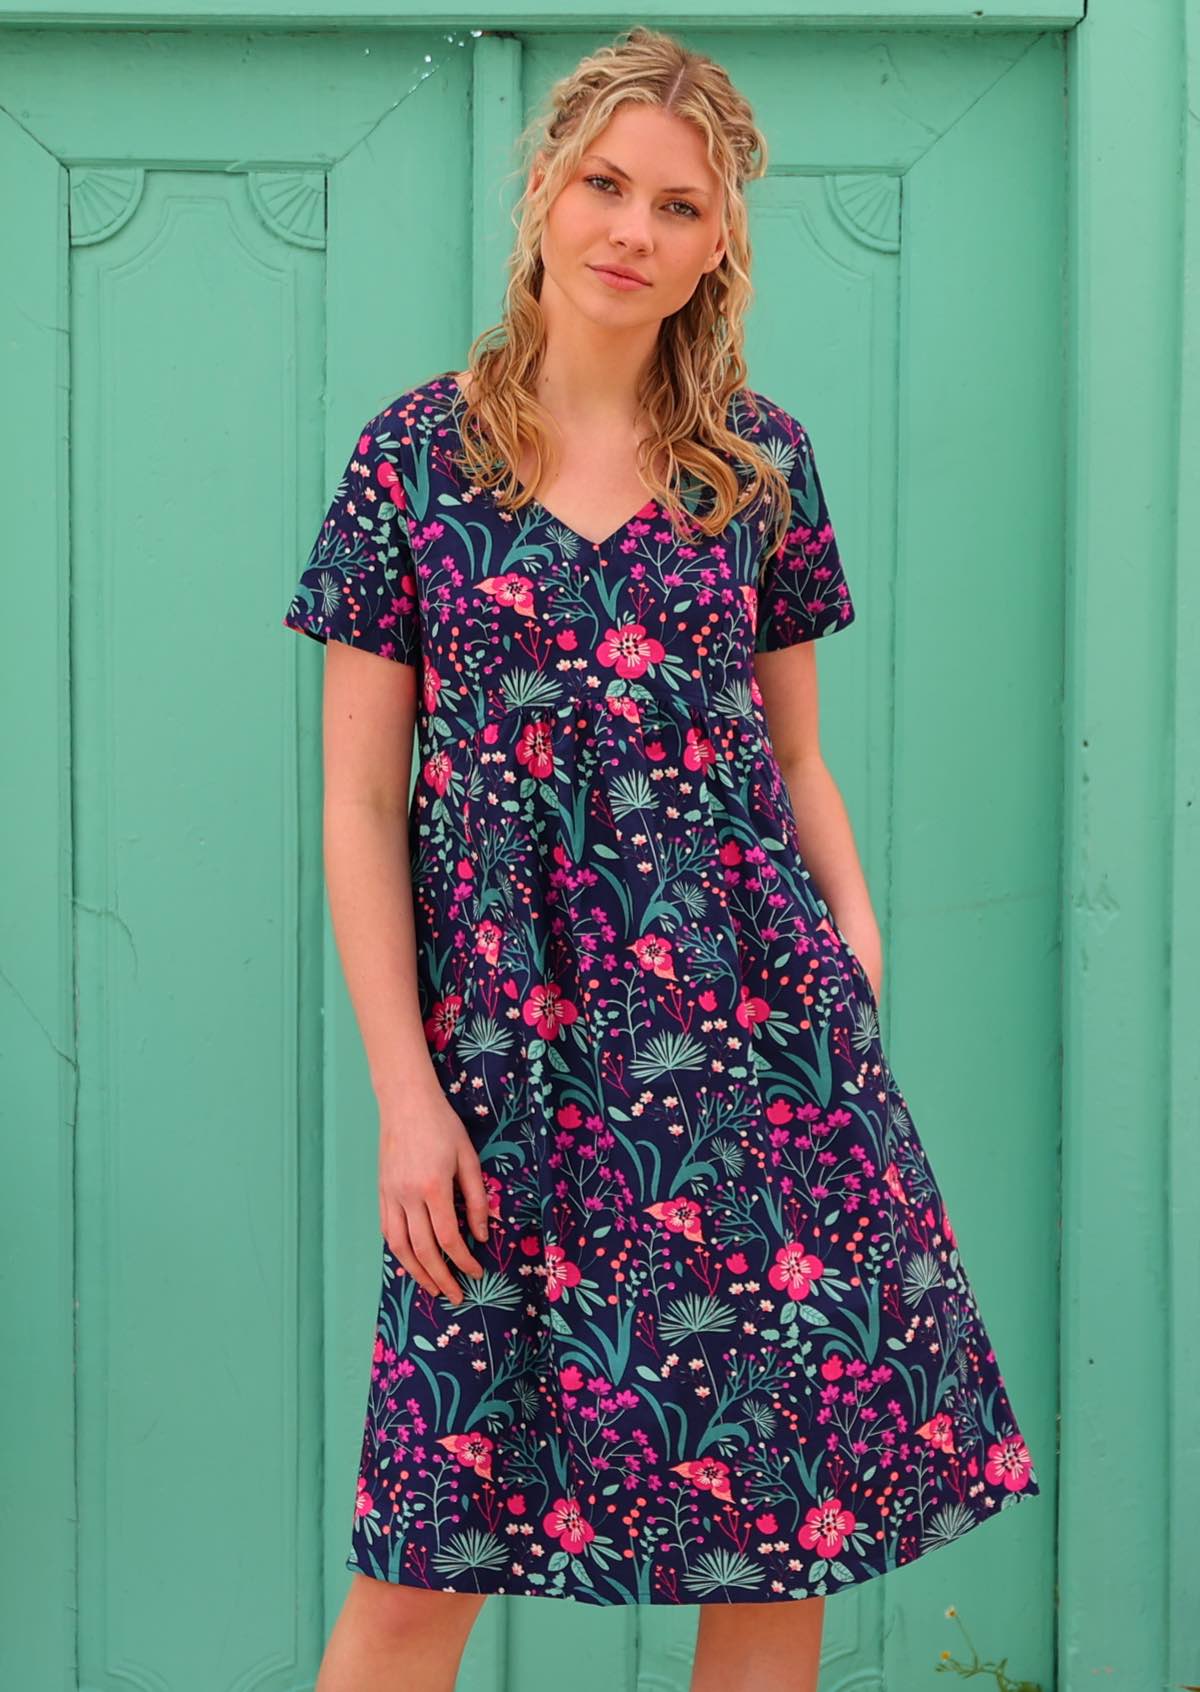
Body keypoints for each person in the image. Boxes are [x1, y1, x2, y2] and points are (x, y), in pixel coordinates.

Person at [282, 24, 1040, 1692]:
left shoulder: (753, 468)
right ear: (546, 191)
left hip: (758, 1053)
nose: (633, 230)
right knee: (427, 1546)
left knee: (785, 1526)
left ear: (719, 244)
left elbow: (795, 756)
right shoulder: (411, 462)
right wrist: (408, 1094)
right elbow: (356, 803)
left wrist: (856, 936)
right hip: (505, 1068)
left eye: (678, 206)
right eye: (607, 186)